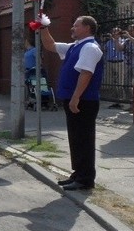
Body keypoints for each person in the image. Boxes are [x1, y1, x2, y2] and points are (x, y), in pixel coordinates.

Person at [39, 15, 104, 191]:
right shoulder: (74, 47)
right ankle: (78, 174)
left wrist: (75, 98)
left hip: (84, 100)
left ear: (87, 28)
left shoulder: (90, 47)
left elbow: (86, 73)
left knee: (83, 139)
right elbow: (50, 45)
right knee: (75, 138)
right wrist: (43, 27)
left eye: (76, 25)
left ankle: (85, 179)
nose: (72, 28)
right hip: (74, 99)